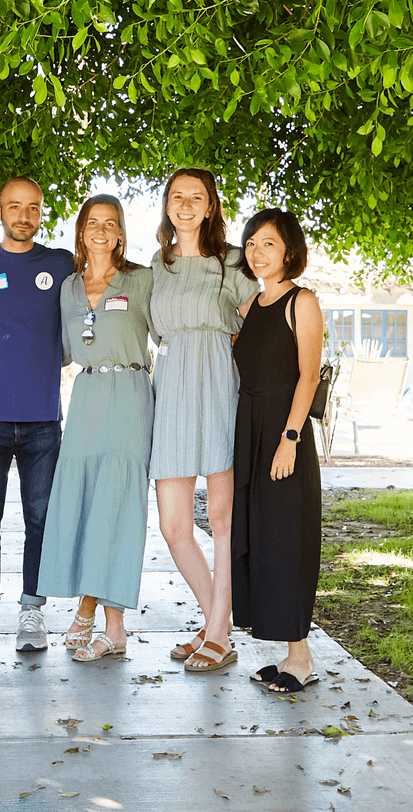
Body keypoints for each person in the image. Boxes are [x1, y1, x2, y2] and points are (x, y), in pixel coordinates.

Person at [0, 177, 75, 652]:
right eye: (14, 207)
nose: (23, 216)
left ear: (42, 212)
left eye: (33, 208)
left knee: (41, 519)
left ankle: (31, 612)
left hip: (43, 416)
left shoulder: (61, 263)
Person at [149, 168, 259, 673]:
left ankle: (217, 632)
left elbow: (260, 316)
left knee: (220, 518)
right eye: (177, 196)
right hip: (170, 385)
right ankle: (218, 619)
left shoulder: (231, 261)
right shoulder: (160, 262)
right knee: (174, 525)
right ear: (168, 205)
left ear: (212, 205)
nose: (186, 204)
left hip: (217, 382)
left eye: (197, 196)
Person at [36, 194, 155, 662]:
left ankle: (105, 619)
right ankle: (104, 621)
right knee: (84, 503)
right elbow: (60, 347)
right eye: (92, 222)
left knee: (119, 505)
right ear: (81, 231)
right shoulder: (67, 287)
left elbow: (169, 329)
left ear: (121, 232)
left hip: (128, 393)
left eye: (111, 223)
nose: (101, 230)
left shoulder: (141, 280)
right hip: (85, 397)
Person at [232, 208, 323, 693]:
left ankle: (301, 658)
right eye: (251, 244)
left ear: (289, 250)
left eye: (268, 243)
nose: (257, 252)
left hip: (284, 435)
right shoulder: (249, 306)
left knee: (287, 541)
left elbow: (308, 376)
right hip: (249, 431)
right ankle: (288, 653)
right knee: (261, 540)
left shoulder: (301, 302)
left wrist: (290, 438)